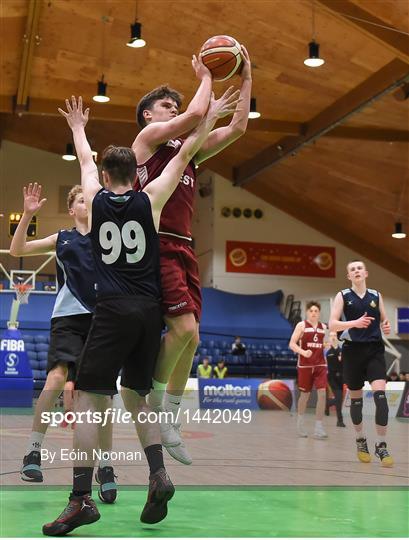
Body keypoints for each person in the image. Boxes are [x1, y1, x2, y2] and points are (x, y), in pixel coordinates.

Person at [42, 90, 240, 536]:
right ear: (136, 173)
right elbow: (187, 149)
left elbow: (84, 163)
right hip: (150, 311)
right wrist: (207, 120)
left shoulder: (92, 201)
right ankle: (158, 474)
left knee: (91, 402)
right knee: (137, 395)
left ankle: (80, 500)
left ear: (106, 173)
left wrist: (78, 128)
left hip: (110, 310)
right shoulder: (151, 199)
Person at [130, 48, 251, 466]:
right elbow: (195, 115)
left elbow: (236, 128)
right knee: (182, 329)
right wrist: (204, 76)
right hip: (156, 243)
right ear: (148, 115)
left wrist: (247, 73)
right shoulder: (145, 142)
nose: (174, 109)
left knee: (194, 336)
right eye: (166, 105)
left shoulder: (191, 151)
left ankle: (171, 417)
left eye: (175, 105)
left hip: (184, 245)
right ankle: (156, 400)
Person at [10, 183, 117, 503]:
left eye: (91, 199)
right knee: (57, 377)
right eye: (82, 200)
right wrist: (28, 215)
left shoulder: (108, 237)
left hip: (101, 320)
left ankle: (107, 466)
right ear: (72, 209)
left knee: (102, 397)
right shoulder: (62, 238)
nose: (88, 203)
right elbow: (17, 251)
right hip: (67, 319)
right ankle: (32, 452)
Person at [329, 260, 393, 467]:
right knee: (356, 401)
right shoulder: (343, 295)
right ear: (349, 276)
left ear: (365, 273)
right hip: (352, 352)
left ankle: (381, 445)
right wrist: (354, 323)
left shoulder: (376, 295)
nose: (356, 271)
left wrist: (386, 325)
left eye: (359, 268)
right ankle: (361, 440)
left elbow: (384, 319)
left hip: (374, 350)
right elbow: (332, 323)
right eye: (352, 269)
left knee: (381, 399)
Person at [289, 301, 328, 439]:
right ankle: (300, 423)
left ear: (319, 313)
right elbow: (292, 344)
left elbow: (326, 344)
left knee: (322, 394)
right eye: (311, 310)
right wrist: (303, 352)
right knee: (304, 396)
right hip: (305, 365)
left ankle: (318, 427)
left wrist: (331, 343)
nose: (313, 313)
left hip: (320, 365)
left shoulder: (324, 327)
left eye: (316, 311)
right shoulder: (301, 325)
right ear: (307, 312)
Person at [325, 332, 345, 427]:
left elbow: (344, 363)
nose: (332, 337)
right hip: (333, 378)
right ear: (329, 338)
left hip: (341, 378)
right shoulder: (329, 353)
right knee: (338, 398)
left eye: (334, 336)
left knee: (339, 399)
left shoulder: (342, 350)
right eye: (331, 335)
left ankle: (328, 403)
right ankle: (339, 421)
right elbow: (333, 366)